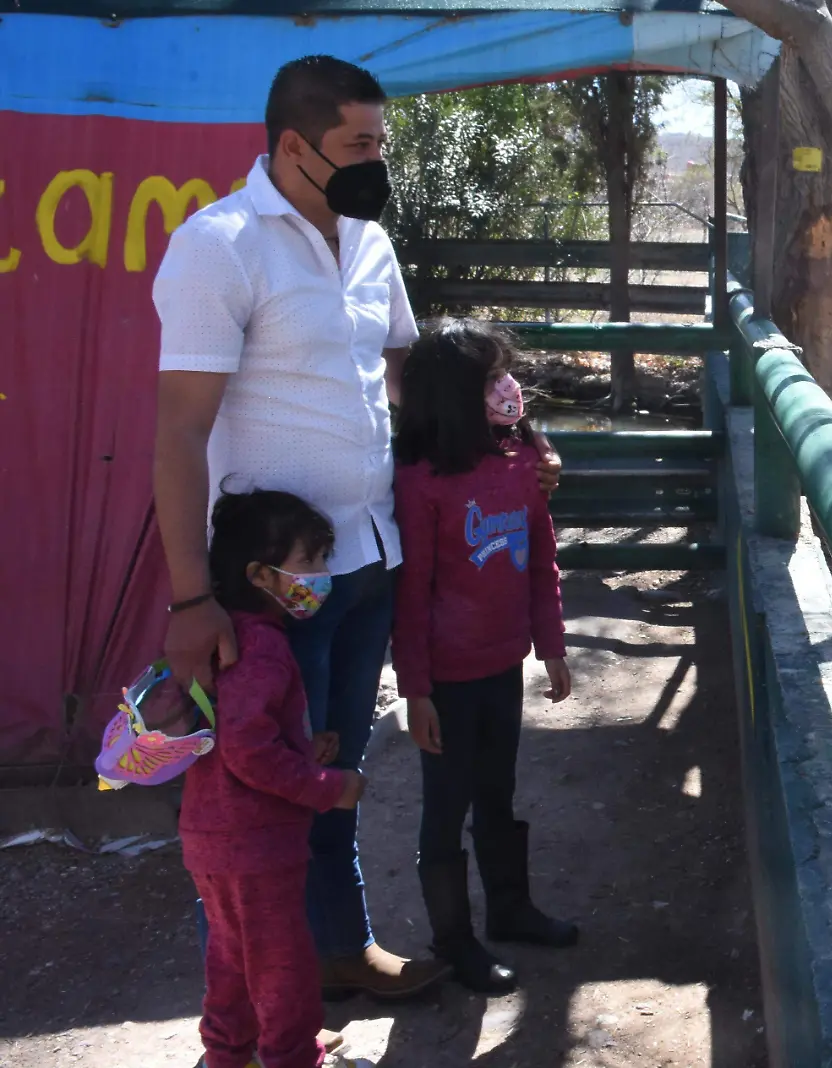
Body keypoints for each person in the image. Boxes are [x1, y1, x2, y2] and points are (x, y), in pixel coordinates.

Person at [152, 54, 564, 999]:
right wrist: (188, 598)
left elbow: (414, 386)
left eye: (382, 142)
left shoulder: (372, 245)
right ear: (293, 145)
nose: (378, 161)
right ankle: (267, 980)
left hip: (371, 560)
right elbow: (178, 431)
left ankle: (337, 950)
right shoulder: (219, 246)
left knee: (330, 770)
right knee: (268, 784)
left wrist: (518, 449)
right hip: (276, 584)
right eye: (359, 145)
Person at [391, 319, 579, 993]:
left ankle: (510, 909)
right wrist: (415, 689)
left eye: (505, 371)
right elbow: (409, 594)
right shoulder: (420, 483)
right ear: (451, 396)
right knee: (444, 810)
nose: (507, 387)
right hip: (445, 680)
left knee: (497, 792)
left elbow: (541, 561)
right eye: (488, 377)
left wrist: (550, 645)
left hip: (504, 667)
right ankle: (454, 942)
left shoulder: (524, 462)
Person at [182, 489, 367, 1068]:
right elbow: (249, 754)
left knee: (233, 958)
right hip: (257, 844)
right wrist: (328, 787)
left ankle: (228, 1054)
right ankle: (291, 1056)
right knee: (283, 962)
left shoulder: (225, 637)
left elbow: (238, 735)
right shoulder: (262, 647)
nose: (320, 576)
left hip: (212, 836)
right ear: (261, 574)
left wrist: (303, 748)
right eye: (309, 562)